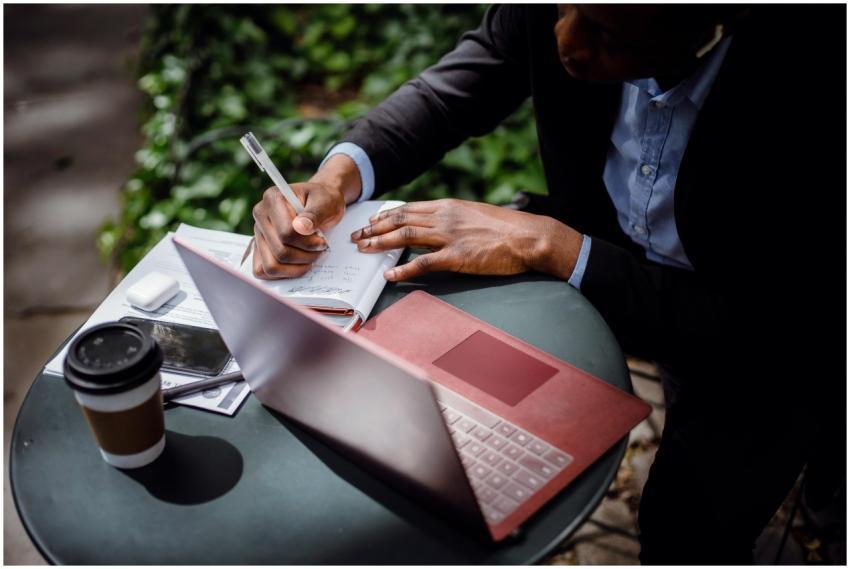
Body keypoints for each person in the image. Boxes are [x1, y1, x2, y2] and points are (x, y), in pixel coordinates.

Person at [250, 5, 845, 563]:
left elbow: (776, 324)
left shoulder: (817, 79)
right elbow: (472, 76)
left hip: (765, 335)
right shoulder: (565, 17)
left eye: (608, 35)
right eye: (563, 8)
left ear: (712, 27)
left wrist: (553, 246)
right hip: (605, 249)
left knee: (686, 527)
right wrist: (339, 176)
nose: (566, 43)